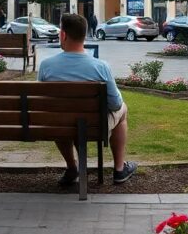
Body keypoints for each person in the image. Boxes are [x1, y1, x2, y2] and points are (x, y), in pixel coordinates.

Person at [38, 13, 137, 186]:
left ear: (63, 35)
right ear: (84, 35)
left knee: (59, 117)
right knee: (123, 110)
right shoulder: (100, 67)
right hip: (94, 127)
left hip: (59, 125)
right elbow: (115, 104)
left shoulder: (46, 66)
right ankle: (119, 169)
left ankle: (72, 167)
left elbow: (42, 102)